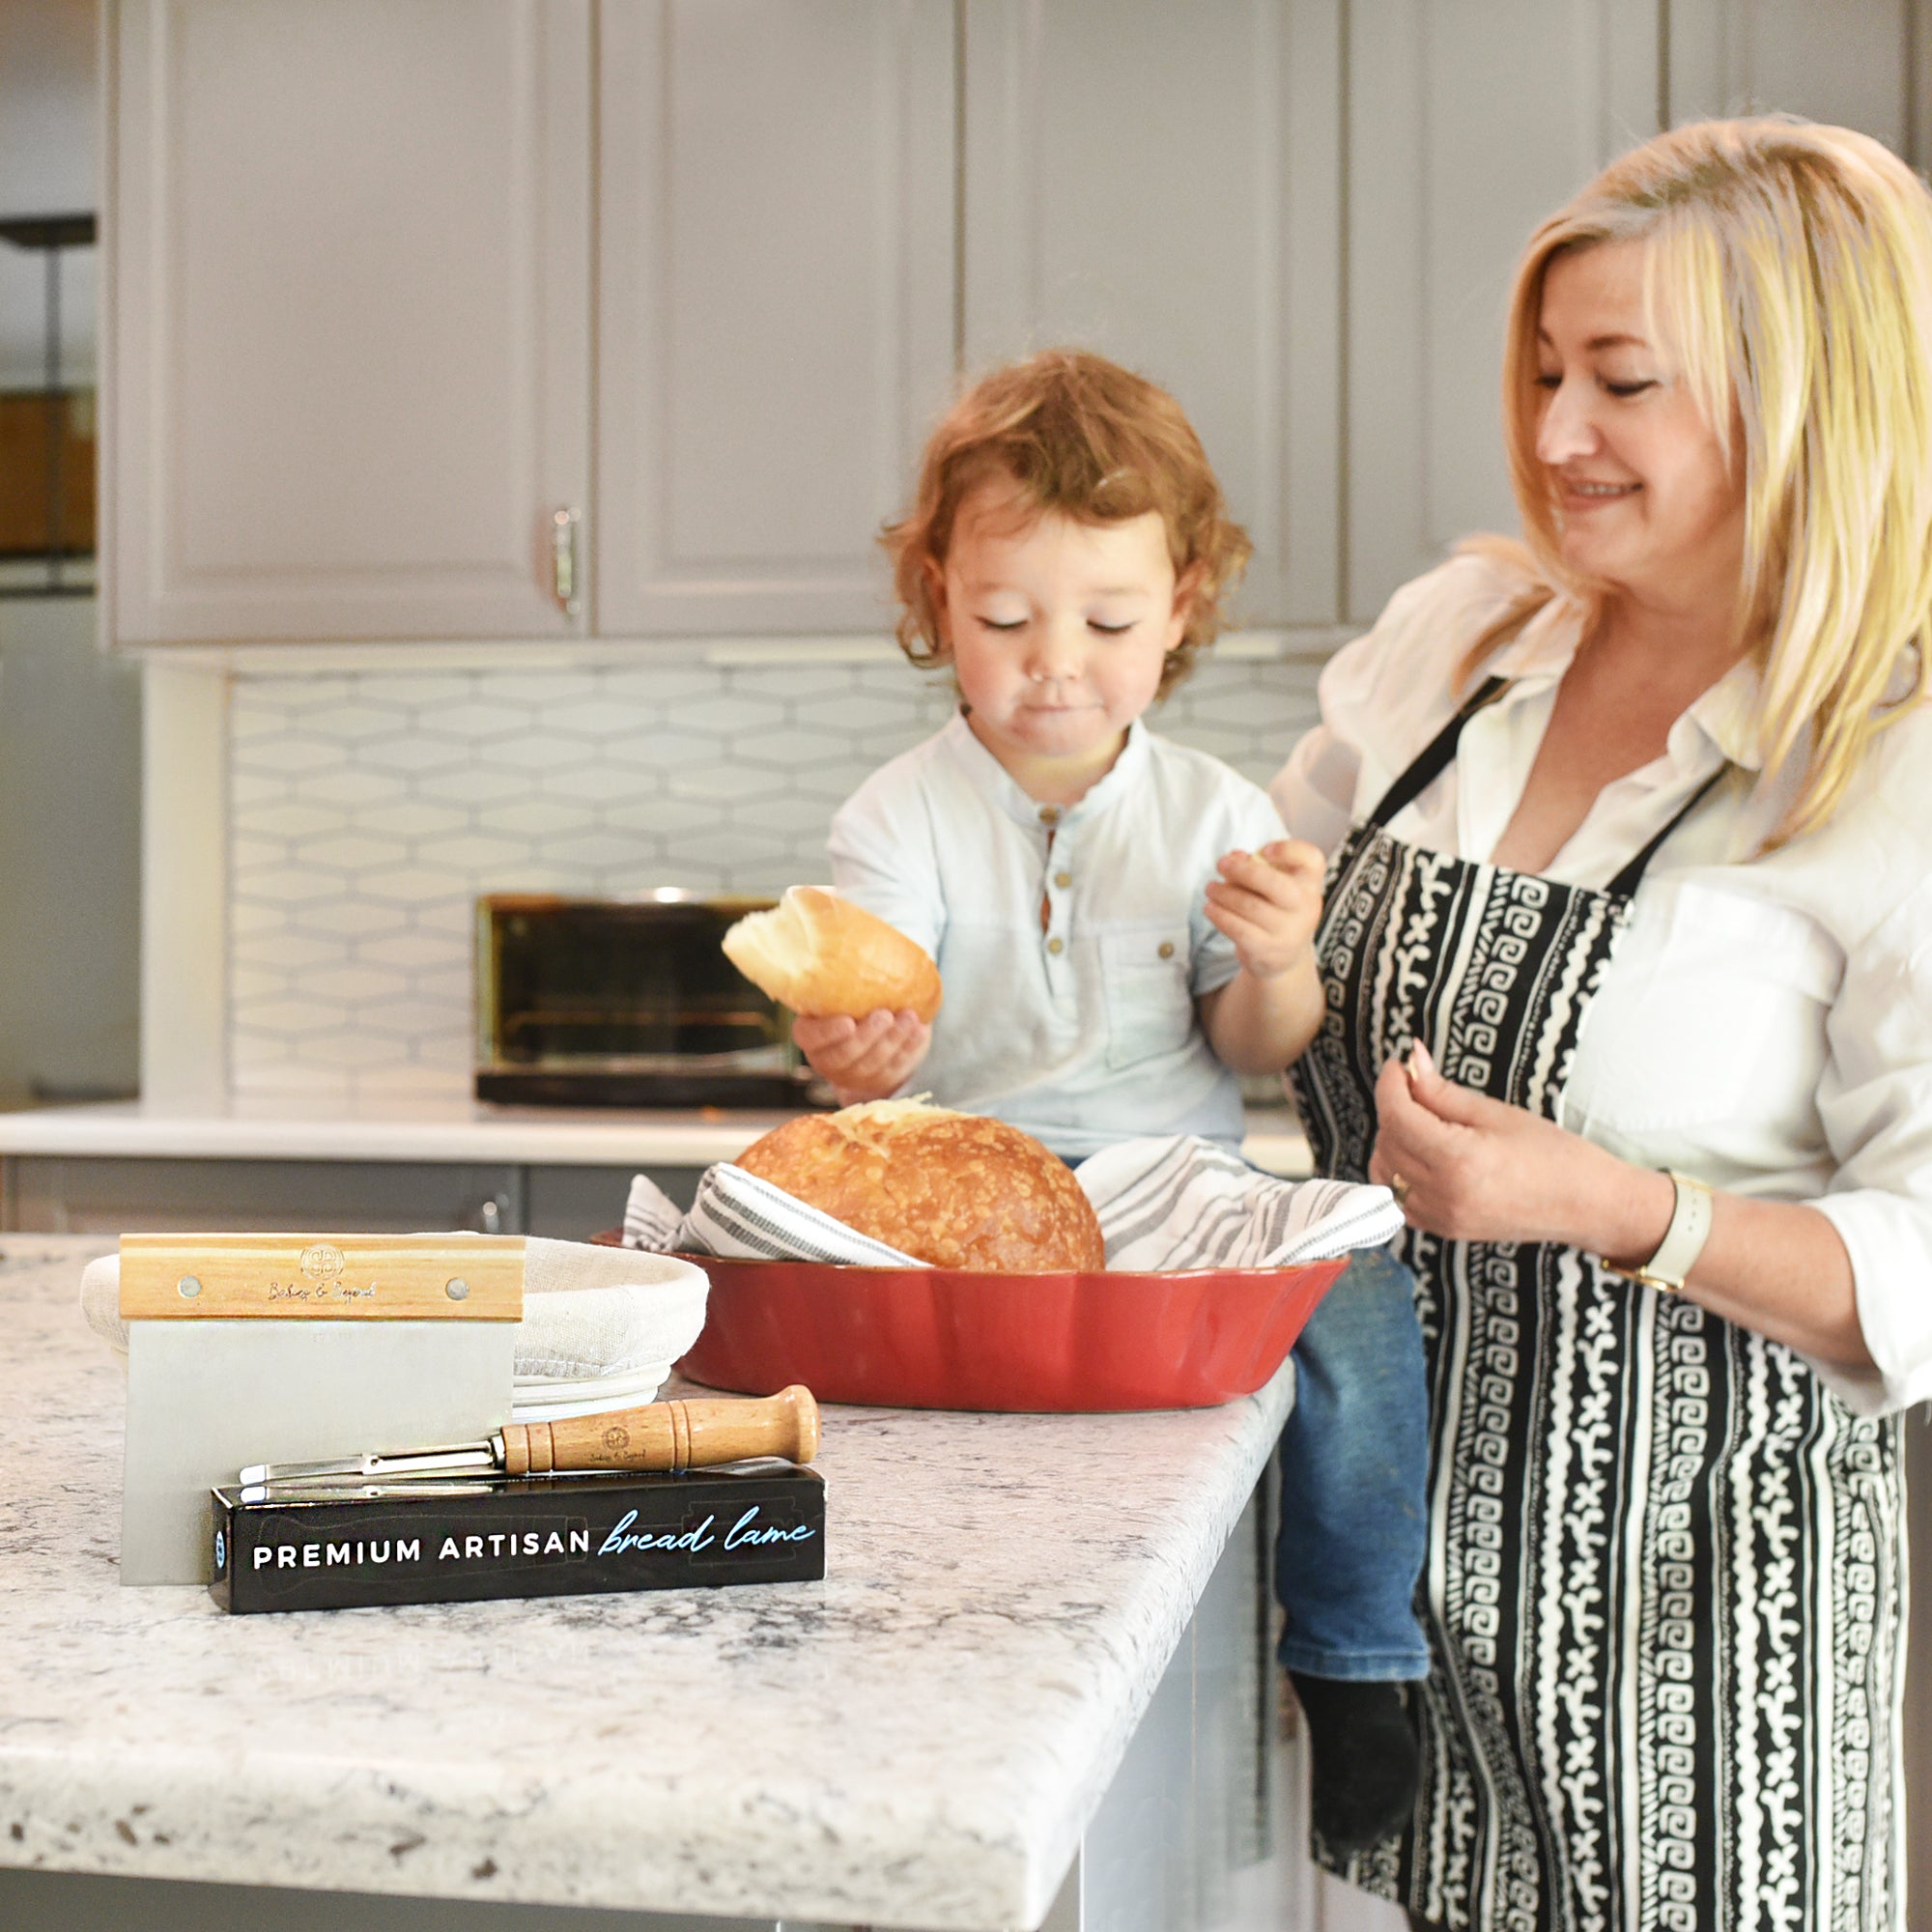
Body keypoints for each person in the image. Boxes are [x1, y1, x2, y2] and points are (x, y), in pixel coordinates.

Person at [1272, 116, 1932, 1930]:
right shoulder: (1460, 643)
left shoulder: (1892, 757)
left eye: (1623, 382)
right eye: (1549, 370)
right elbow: (1251, 935)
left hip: (1703, 1630)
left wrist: (1628, 1209)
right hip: (1370, 1598)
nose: (1557, 433)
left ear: (1806, 401)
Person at [799, 348, 1433, 1844]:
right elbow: (863, 1035)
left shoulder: (1220, 811)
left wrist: (1284, 961)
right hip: (966, 1180)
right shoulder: (895, 815)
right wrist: (858, 1054)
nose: (1053, 663)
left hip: (1170, 1182)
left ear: (1186, 607)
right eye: (1004, 619)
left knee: (1359, 1307)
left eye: (1108, 620)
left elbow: (1255, 1041)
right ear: (936, 598)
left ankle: (1354, 1659)